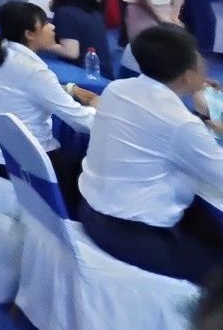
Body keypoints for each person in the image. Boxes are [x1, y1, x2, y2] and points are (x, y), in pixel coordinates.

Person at [79, 25, 223, 285]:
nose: (206, 65)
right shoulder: (181, 123)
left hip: (91, 209)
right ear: (188, 74)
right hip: (132, 232)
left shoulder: (117, 88)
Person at [0, 1, 96, 210]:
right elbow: (81, 122)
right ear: (29, 34)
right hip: (20, 163)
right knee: (86, 174)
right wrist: (105, 113)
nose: (53, 27)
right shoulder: (34, 71)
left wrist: (71, 90)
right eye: (45, 23)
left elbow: (28, 87)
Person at [40, 0, 114, 77]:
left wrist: (42, 44)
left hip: (85, 74)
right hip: (103, 72)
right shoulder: (93, 11)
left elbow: (71, 52)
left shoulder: (65, 13)